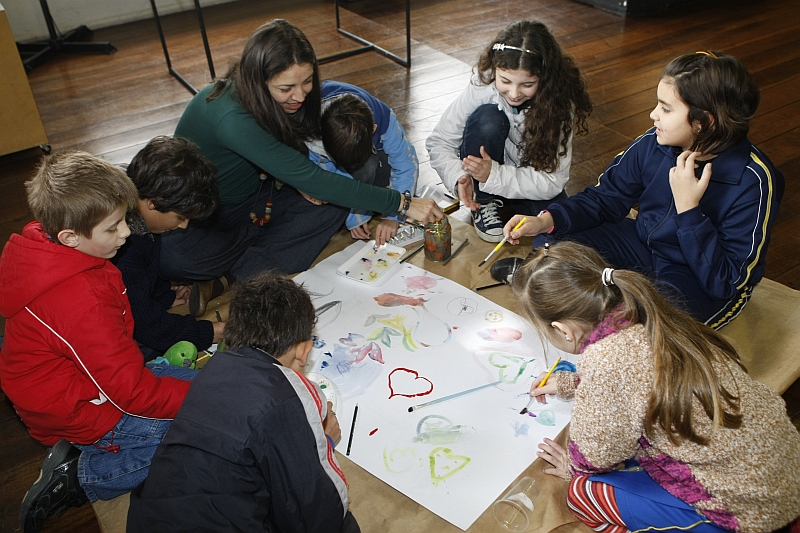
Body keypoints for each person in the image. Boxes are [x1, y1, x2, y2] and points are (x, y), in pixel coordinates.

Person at [513, 241, 800, 533]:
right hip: (782, 466)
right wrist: (576, 383)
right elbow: (643, 377)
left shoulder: (606, 359)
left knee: (581, 493)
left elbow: (597, 455)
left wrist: (573, 467)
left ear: (563, 329)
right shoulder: (644, 310)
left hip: (752, 507)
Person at [503, 52, 784, 329]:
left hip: (696, 274)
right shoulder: (654, 142)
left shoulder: (755, 181)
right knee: (553, 243)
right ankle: (616, 300)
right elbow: (605, 198)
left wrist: (689, 210)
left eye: (666, 108)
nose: (653, 115)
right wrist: (545, 220)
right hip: (643, 247)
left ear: (703, 121)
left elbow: (725, 281)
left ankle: (612, 303)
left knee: (660, 320)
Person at [0, 151, 197, 532]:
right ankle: (83, 474)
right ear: (70, 236)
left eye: (124, 220)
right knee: (199, 434)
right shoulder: (78, 302)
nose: (125, 233)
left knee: (209, 394)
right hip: (75, 408)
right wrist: (206, 401)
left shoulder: (52, 245)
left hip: (83, 379)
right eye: (113, 227)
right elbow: (133, 394)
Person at [160, 19, 441, 281]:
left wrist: (298, 177)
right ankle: (245, 263)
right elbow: (313, 179)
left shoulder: (278, 98)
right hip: (208, 213)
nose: (300, 96)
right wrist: (402, 203)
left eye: (307, 81)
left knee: (332, 202)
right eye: (287, 88)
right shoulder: (231, 118)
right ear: (257, 80)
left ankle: (232, 267)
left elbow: (304, 166)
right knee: (176, 257)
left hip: (260, 197)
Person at [127, 270, 358, 533]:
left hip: (147, 518)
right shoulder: (285, 395)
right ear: (304, 352)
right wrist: (324, 444)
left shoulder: (212, 371)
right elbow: (318, 510)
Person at [426, 20, 591, 242]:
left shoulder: (560, 105)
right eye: (505, 80)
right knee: (487, 117)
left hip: (527, 179)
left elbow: (552, 181)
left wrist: (495, 175)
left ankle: (504, 198)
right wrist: (459, 177)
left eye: (527, 84)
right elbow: (440, 141)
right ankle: (484, 201)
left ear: (545, 78)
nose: (514, 93)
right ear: (494, 68)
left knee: (562, 239)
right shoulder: (483, 84)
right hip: (489, 177)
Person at [112, 136, 225, 360]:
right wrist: (209, 332)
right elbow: (147, 326)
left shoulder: (137, 210)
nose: (183, 225)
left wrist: (162, 295)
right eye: (180, 217)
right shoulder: (124, 247)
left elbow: (141, 280)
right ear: (152, 203)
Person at [309, 81, 418, 245]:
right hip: (323, 160)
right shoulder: (313, 141)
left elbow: (405, 165)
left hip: (373, 157)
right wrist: (357, 214)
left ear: (373, 129)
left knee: (371, 167)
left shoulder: (385, 120)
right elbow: (332, 179)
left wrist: (394, 215)